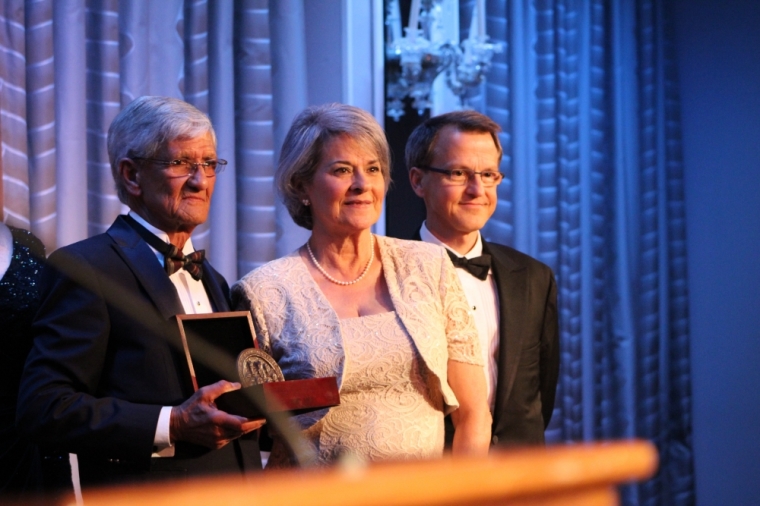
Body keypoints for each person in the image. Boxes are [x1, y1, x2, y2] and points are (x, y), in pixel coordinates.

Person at [16, 96, 264, 487]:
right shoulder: (86, 268)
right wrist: (174, 423)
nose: (200, 181)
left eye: (209, 164)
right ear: (131, 175)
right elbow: (45, 407)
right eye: (182, 163)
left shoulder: (214, 279)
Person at [232, 103, 491, 467]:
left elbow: (474, 416)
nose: (362, 184)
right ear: (301, 184)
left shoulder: (429, 266)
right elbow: (248, 429)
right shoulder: (263, 291)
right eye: (341, 170)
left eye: (372, 169)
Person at [406, 110, 559, 446]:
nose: (477, 189)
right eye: (459, 173)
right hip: (426, 478)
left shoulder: (534, 277)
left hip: (518, 482)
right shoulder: (384, 273)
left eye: (489, 175)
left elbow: (541, 395)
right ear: (418, 181)